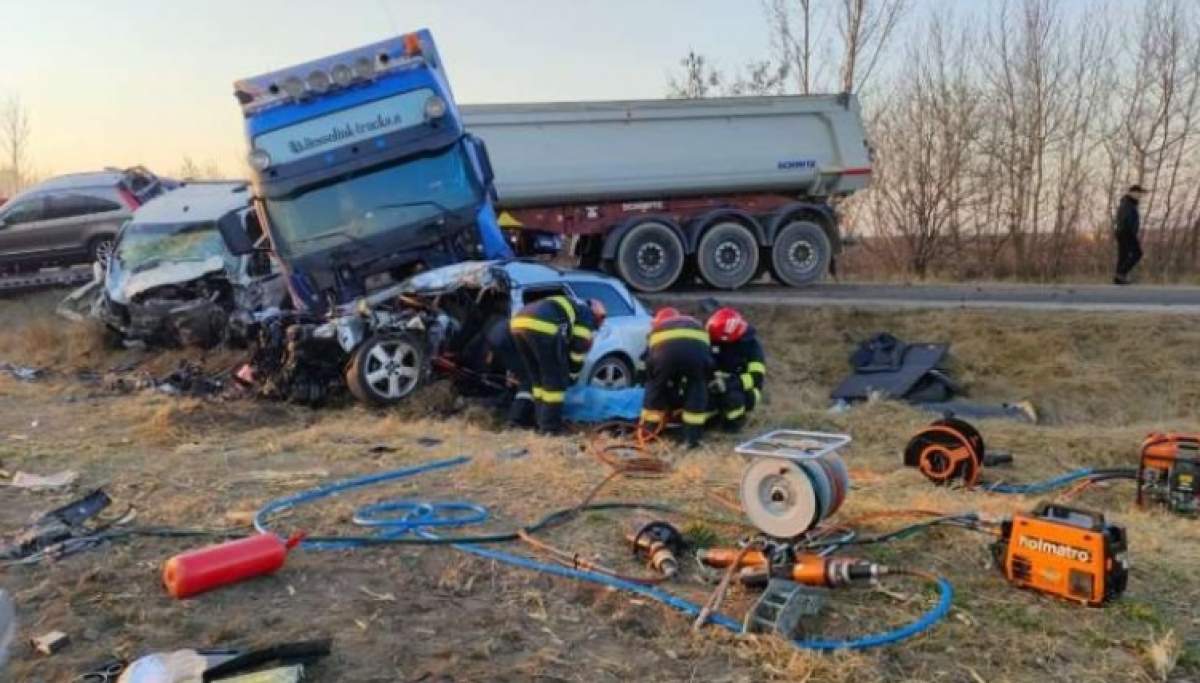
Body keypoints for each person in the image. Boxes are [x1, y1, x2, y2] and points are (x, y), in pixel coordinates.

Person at [509, 295, 606, 434]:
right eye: (599, 320)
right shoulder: (586, 313)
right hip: (542, 325)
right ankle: (550, 429)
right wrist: (572, 375)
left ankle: (540, 422)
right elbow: (578, 348)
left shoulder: (572, 307)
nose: (596, 325)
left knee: (538, 380)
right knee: (555, 382)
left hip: (518, 324)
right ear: (595, 314)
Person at [641, 307, 713, 448]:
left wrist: (651, 380)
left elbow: (648, 362)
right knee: (697, 387)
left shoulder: (658, 330)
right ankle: (691, 439)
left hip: (664, 355)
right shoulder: (694, 323)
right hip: (697, 353)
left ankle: (649, 432)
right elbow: (708, 357)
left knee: (656, 387)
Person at [705, 307, 766, 431]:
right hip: (714, 383)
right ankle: (711, 421)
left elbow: (756, 377)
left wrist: (730, 384)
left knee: (732, 398)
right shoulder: (710, 337)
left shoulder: (751, 346)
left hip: (744, 389)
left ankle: (734, 424)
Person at [1114, 184, 1146, 285]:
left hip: (1123, 232)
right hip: (1126, 232)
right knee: (1137, 253)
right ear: (1132, 193)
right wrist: (1130, 231)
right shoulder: (1127, 203)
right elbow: (1125, 219)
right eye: (1139, 193)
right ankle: (1121, 273)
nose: (1140, 195)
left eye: (1141, 193)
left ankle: (1118, 278)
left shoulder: (1128, 203)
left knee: (1123, 255)